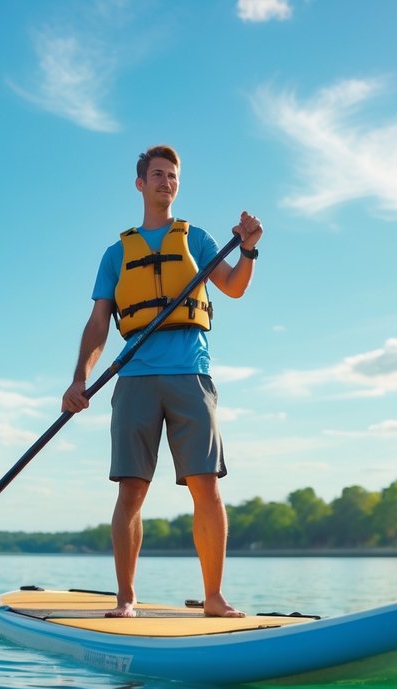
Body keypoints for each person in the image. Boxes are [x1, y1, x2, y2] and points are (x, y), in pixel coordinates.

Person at [61, 145, 262, 618]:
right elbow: (97, 324)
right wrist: (79, 380)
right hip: (134, 377)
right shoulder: (116, 253)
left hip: (191, 372)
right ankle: (126, 599)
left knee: (205, 485)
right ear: (140, 184)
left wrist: (249, 247)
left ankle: (214, 598)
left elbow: (233, 286)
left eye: (172, 176)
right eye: (157, 174)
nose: (165, 182)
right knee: (131, 489)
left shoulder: (197, 240)